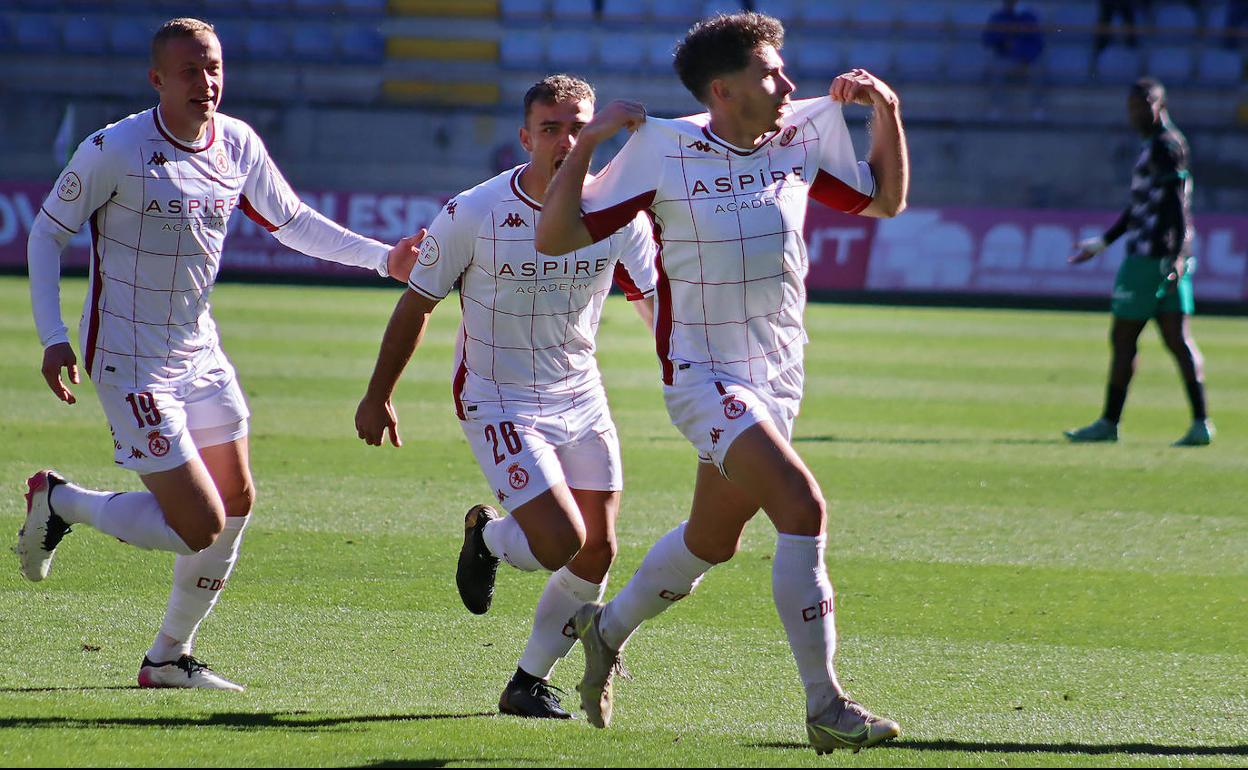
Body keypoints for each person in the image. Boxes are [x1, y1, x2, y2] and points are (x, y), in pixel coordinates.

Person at [536, 12, 908, 754]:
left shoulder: (800, 137)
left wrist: (886, 114)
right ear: (723, 88)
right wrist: (589, 142)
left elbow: (885, 201)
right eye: (771, 72)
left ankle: (603, 630)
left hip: (779, 373)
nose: (788, 84)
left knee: (713, 541)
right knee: (802, 505)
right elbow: (555, 235)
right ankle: (824, 703)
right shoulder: (663, 151)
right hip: (704, 377)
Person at [18, 17, 422, 691]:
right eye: (189, 71)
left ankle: (168, 657)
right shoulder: (113, 149)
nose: (206, 82)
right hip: (129, 358)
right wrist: (53, 335)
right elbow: (43, 235)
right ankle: (62, 503)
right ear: (156, 80)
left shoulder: (236, 142)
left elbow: (291, 220)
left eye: (214, 68)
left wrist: (384, 260)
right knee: (198, 524)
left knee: (236, 501)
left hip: (199, 350)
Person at [354, 75, 656, 719]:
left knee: (599, 547)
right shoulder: (476, 211)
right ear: (526, 138)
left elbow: (655, 301)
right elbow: (418, 304)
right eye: (552, 129)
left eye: (580, 127)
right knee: (559, 543)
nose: (567, 141)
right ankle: (490, 539)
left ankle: (527, 681)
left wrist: (689, 368)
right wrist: (378, 393)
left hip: (580, 392)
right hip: (498, 396)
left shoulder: (619, 213)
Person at [1066, 78, 1212, 447]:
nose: (1134, 114)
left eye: (1141, 106)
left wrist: (1175, 254)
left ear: (1159, 105)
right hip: (1168, 255)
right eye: (1130, 107)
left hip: (1150, 258)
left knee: (1124, 338)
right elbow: (1143, 204)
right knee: (1178, 339)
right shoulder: (1163, 144)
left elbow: (1176, 204)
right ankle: (1201, 423)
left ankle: (1108, 423)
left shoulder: (1165, 146)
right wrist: (1103, 242)